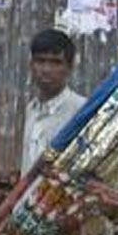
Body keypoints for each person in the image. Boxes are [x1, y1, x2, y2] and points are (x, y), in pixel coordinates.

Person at [21, 29, 85, 175]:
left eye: (56, 62)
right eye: (40, 61)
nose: (46, 69)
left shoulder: (80, 112)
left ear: (69, 67)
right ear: (31, 65)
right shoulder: (31, 110)